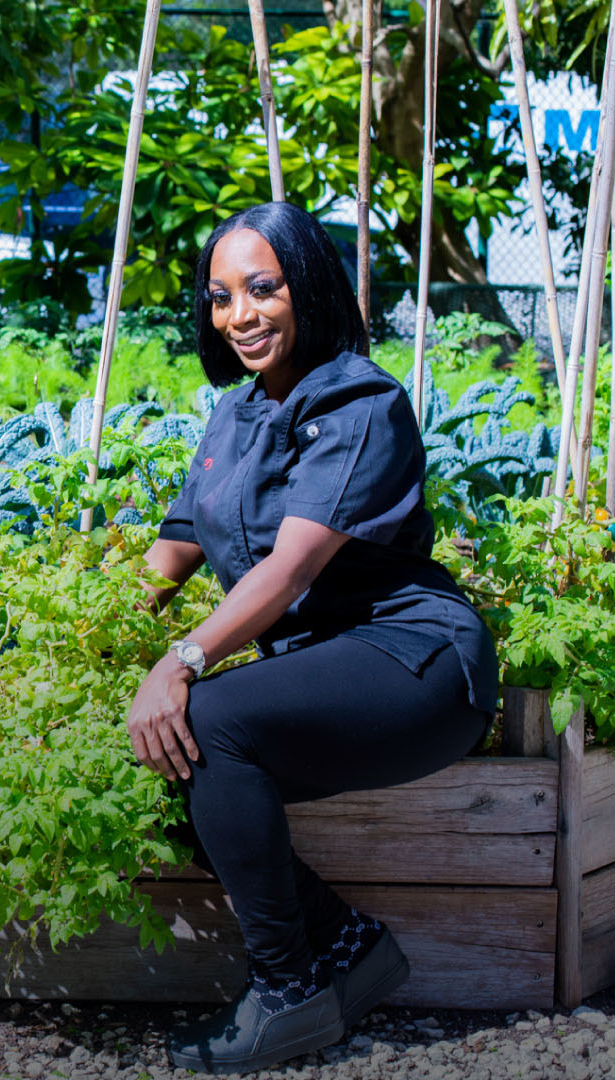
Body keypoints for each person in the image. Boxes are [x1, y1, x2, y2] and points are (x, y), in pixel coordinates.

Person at [129, 202, 498, 1074]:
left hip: (415, 658)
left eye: (263, 288)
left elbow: (290, 571)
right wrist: (89, 628)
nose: (241, 315)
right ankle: (349, 950)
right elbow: (177, 543)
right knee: (178, 739)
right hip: (321, 664)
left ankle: (288, 990)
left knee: (208, 722)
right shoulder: (234, 415)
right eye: (221, 298)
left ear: (308, 286)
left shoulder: (360, 399)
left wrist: (180, 659)